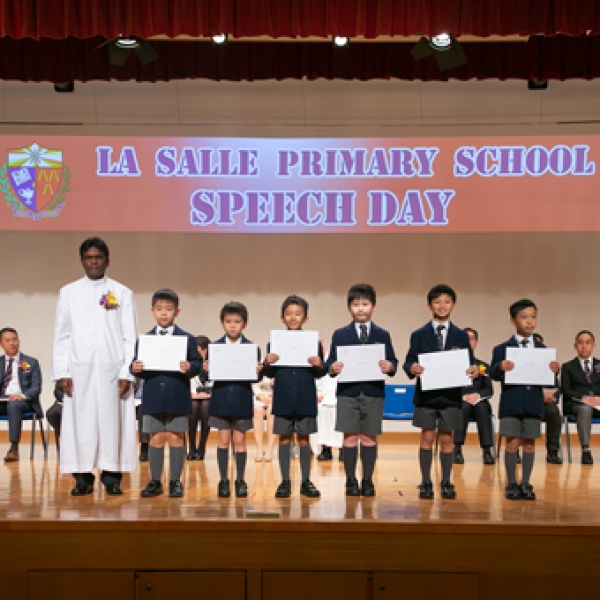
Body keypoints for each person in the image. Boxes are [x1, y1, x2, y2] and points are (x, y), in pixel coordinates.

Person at [52, 237, 137, 496]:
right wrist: (62, 372)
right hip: (79, 370)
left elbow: (129, 335)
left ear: (107, 260)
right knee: (82, 423)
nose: (94, 262)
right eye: (89, 257)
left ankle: (112, 476)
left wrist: (126, 372)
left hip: (113, 369)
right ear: (82, 261)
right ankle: (82, 477)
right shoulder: (68, 292)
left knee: (113, 422)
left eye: (98, 257)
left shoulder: (122, 292)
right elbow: (62, 335)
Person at [403, 284, 478, 500]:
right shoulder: (419, 334)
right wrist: (412, 368)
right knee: (426, 437)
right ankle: (426, 481)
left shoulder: (461, 336)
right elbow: (409, 360)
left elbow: (469, 362)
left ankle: (446, 481)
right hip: (426, 396)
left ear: (453, 305)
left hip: (451, 396)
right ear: (429, 306)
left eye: (446, 302)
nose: (442, 306)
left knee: (447, 439)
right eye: (437, 302)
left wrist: (473, 369)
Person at [325, 283, 398, 498]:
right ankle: (350, 480)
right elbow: (330, 363)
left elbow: (393, 362)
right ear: (349, 307)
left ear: (373, 307)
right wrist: (333, 367)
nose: (360, 308)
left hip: (373, 393)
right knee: (349, 438)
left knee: (368, 438)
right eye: (356, 304)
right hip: (348, 393)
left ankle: (367, 480)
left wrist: (389, 366)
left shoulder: (382, 334)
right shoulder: (340, 334)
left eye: (365, 304)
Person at [131, 289, 202, 499]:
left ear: (177, 312)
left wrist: (190, 366)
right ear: (152, 311)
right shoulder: (145, 339)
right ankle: (155, 481)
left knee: (175, 437)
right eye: (159, 309)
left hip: (177, 395)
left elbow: (197, 365)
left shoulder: (187, 338)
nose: (164, 313)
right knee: (155, 438)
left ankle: (175, 481)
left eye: (169, 309)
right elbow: (136, 365)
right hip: (153, 396)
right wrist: (134, 367)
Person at [490, 299, 560, 501]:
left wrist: (554, 371)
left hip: (532, 403)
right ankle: (511, 483)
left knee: (529, 444)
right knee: (511, 443)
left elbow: (550, 381)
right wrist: (500, 367)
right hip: (511, 403)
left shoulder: (542, 349)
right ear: (513, 321)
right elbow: (493, 374)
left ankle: (526, 483)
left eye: (533, 317)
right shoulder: (502, 349)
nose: (529, 321)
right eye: (524, 317)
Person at [263, 295, 327, 498]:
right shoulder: (274, 342)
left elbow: (320, 373)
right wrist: (267, 362)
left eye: (298, 314)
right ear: (282, 317)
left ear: (305, 318)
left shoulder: (313, 343)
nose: (293, 317)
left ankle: (306, 481)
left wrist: (319, 364)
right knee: (284, 440)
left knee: (304, 440)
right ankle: (285, 482)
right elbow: (269, 373)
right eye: (289, 314)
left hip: (305, 397)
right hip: (283, 398)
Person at [205, 301, 263, 499]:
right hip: (221, 398)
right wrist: (206, 370)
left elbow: (256, 377)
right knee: (222, 440)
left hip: (241, 398)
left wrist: (258, 371)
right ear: (222, 323)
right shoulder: (215, 347)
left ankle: (240, 480)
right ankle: (223, 480)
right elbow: (206, 377)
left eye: (237, 322)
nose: (232, 325)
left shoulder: (251, 348)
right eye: (228, 321)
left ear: (244, 324)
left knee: (240, 441)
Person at [453, 327, 495, 465]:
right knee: (463, 407)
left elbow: (489, 390)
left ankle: (487, 451)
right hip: (460, 401)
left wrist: (477, 395)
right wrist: (461, 397)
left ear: (476, 342)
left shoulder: (483, 365)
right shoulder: (453, 365)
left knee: (482, 408)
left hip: (478, 400)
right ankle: (457, 449)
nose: (468, 341)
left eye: (471, 338)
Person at [0, 327, 42, 462]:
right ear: (1, 344)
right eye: (7, 340)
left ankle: (13, 448)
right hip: (2, 400)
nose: (12, 343)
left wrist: (21, 396)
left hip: (24, 402)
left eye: (14, 339)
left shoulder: (31, 362)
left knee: (13, 405)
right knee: (10, 404)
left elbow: (36, 387)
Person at [560, 330, 600, 465]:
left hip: (598, 403)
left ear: (593, 345)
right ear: (575, 346)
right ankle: (586, 450)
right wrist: (584, 398)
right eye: (580, 343)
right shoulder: (568, 367)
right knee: (585, 409)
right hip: (577, 404)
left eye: (588, 343)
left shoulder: (599, 365)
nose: (584, 346)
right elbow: (565, 390)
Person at [533, 332, 563, 464]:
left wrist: (553, 398)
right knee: (517, 413)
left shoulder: (549, 368)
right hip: (525, 403)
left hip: (545, 404)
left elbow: (556, 388)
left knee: (553, 412)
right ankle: (515, 451)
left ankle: (552, 452)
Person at [188, 335, 212, 461]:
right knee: (193, 406)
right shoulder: (190, 363)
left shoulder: (215, 363)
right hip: (193, 397)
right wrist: (195, 394)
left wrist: (208, 394)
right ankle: (192, 447)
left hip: (210, 398)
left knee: (205, 406)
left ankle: (202, 446)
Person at [251, 376, 275, 462]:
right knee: (258, 411)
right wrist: (262, 397)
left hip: (275, 394)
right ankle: (259, 449)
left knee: (271, 412)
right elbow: (254, 384)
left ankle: (269, 449)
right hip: (259, 394)